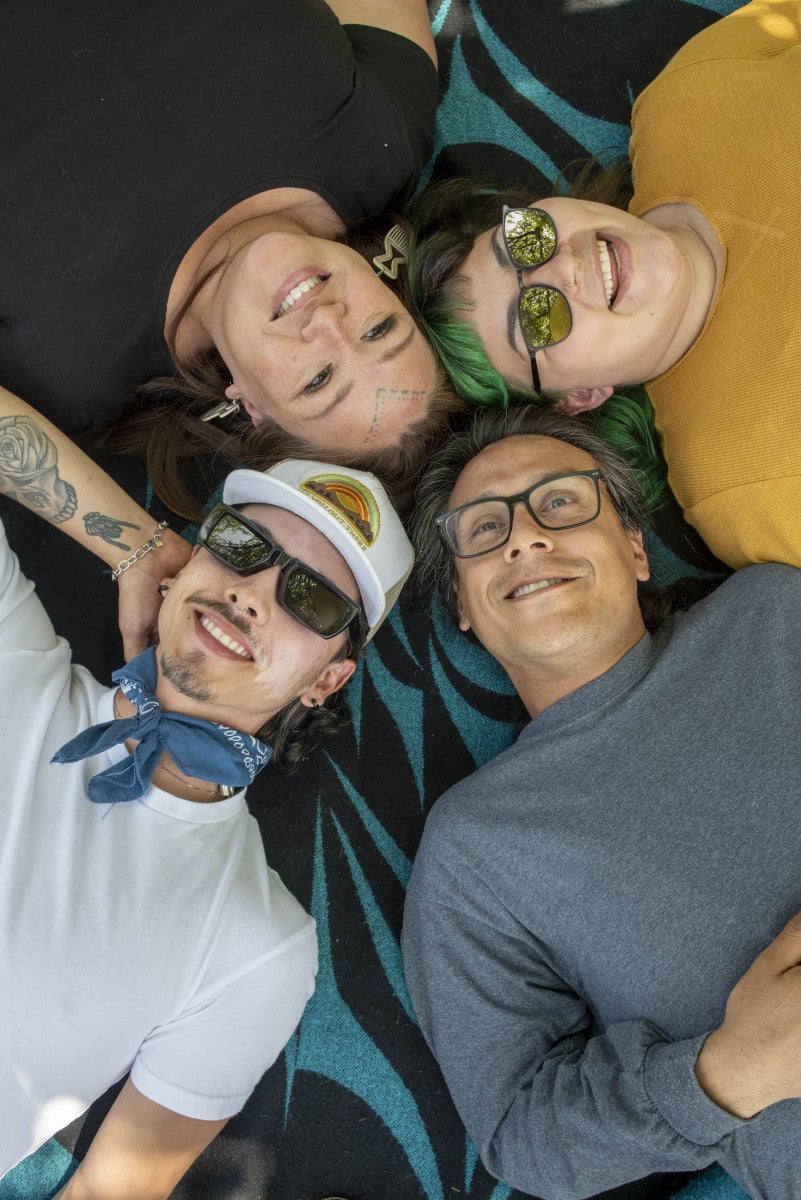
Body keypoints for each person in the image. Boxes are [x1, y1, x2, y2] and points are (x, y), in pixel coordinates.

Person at [0, 394, 415, 1198]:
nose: (252, 591)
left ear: (329, 678)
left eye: (312, 599)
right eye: (240, 545)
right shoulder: (12, 646)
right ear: (190, 556)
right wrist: (130, 545)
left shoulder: (257, 945)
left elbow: (111, 1192)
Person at [401, 404, 801, 1200]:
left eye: (559, 503)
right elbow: (519, 1133)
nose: (522, 537)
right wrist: (718, 1078)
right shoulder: (474, 849)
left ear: (634, 547)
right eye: (482, 530)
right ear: (463, 609)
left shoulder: (771, 615)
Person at [407, 0, 801, 571]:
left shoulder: (684, 102)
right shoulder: (747, 482)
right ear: (581, 397)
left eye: (525, 238)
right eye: (538, 318)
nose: (561, 267)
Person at [1, 0, 463, 480]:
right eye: (378, 330)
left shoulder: (66, 375)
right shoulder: (383, 142)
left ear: (250, 407)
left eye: (318, 380)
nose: (328, 322)